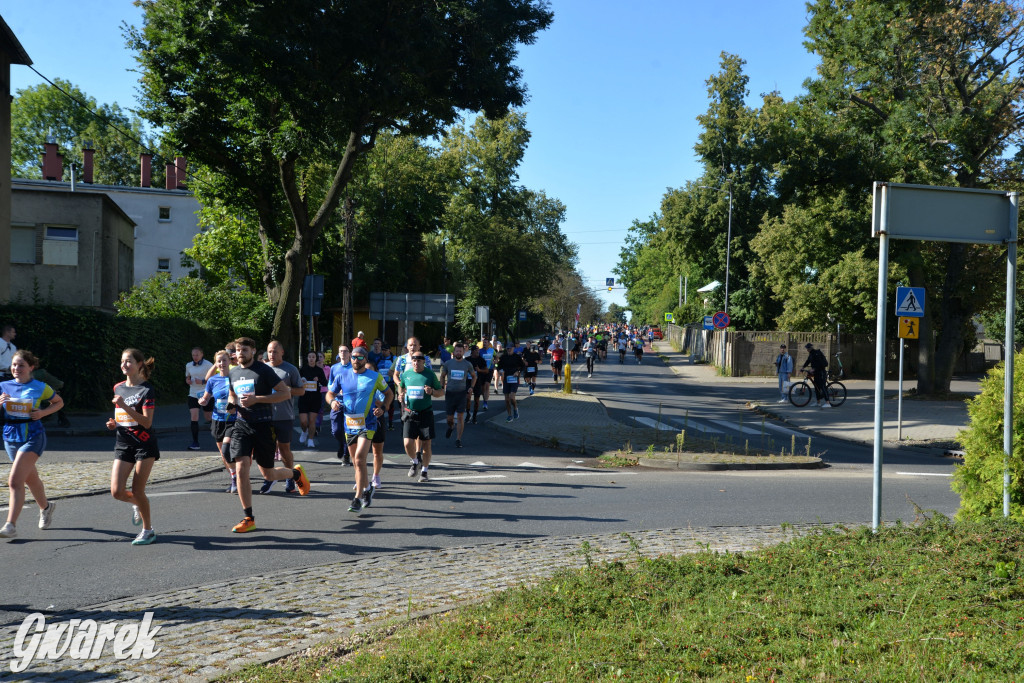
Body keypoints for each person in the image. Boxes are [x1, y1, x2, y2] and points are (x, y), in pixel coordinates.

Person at [226, 337, 311, 533]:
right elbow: (232, 392)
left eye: (244, 350)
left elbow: (284, 394)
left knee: (269, 473)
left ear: (254, 352)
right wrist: (231, 403)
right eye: (238, 350)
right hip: (242, 425)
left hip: (264, 426)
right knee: (241, 469)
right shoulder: (234, 372)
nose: (240, 353)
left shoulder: (264, 370)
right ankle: (249, 518)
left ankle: (296, 473)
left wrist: (256, 399)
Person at [0, 350, 62, 539]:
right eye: (14, 365)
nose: (16, 369)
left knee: (15, 480)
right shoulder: (3, 385)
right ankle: (46, 507)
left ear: (31, 367)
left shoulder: (40, 387)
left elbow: (59, 402)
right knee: (30, 478)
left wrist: (42, 413)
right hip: (11, 436)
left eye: (21, 365)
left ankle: (10, 525)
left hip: (33, 436)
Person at [326, 346, 392, 513]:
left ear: (365, 359)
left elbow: (390, 393)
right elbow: (329, 393)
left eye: (359, 357)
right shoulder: (342, 375)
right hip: (350, 424)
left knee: (360, 458)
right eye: (353, 357)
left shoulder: (374, 376)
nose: (355, 360)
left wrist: (383, 408)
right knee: (356, 462)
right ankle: (368, 488)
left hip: (368, 423)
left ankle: (357, 498)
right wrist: (332, 402)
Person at [107, 349, 159, 545]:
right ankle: (139, 504)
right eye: (122, 361)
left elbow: (147, 422)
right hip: (123, 442)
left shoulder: (146, 390)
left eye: (128, 361)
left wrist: (125, 407)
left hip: (144, 444)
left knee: (138, 490)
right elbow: (123, 418)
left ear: (139, 364)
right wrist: (115, 424)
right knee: (116, 492)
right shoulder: (118, 387)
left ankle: (148, 530)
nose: (124, 365)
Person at [261, 340, 305, 494]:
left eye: (274, 351)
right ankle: (269, 478)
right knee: (267, 449)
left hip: (284, 416)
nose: (271, 354)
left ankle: (289, 477)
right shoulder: (262, 368)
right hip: (266, 416)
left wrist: (287, 389)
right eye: (269, 351)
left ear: (282, 352)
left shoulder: (290, 369)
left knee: (284, 448)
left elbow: (301, 391)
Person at [397, 352, 441, 482]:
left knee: (427, 444)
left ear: (423, 362)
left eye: (418, 361)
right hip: (410, 413)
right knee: (407, 443)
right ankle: (415, 461)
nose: (416, 363)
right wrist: (400, 396)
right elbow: (401, 387)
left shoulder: (430, 374)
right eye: (414, 361)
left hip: (426, 413)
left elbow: (441, 392)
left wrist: (432, 392)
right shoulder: (406, 374)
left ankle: (424, 472)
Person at [198, 350, 238, 492]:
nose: (221, 364)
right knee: (223, 453)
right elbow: (206, 397)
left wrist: (235, 404)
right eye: (219, 361)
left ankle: (236, 479)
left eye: (224, 360)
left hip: (233, 420)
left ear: (229, 361)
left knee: (227, 449)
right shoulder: (213, 380)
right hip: (217, 419)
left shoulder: (236, 377)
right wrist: (202, 400)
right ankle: (234, 478)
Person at [440, 341, 476, 447]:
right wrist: (442, 387)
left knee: (460, 417)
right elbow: (442, 376)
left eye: (460, 351)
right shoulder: (448, 363)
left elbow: (474, 376)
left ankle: (458, 439)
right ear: (454, 352)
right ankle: (451, 427)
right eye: (457, 351)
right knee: (449, 419)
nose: (458, 353)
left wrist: (471, 388)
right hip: (450, 393)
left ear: (463, 352)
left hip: (461, 394)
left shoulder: (467, 364)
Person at [185, 347, 214, 450]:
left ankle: (220, 435)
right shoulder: (188, 365)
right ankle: (195, 443)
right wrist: (187, 380)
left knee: (208, 417)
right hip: (193, 394)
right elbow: (187, 376)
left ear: (202, 354)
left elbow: (214, 379)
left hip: (207, 394)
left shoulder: (209, 365)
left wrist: (202, 381)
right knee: (194, 416)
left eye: (197, 355)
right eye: (193, 355)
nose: (195, 357)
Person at [329, 345, 353, 464]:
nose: (343, 353)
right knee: (336, 430)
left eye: (345, 351)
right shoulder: (334, 368)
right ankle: (341, 444)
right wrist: (337, 391)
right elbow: (330, 385)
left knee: (348, 430)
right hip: (337, 401)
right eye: (341, 351)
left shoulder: (353, 367)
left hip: (350, 403)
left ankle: (346, 454)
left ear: (350, 353)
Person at [299, 351, 328, 448]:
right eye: (309, 357)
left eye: (313, 357)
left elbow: (325, 383)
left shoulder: (319, 370)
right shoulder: (303, 369)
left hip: (315, 398)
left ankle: (310, 440)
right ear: (307, 358)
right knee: (303, 421)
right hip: (304, 397)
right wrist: (301, 381)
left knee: (312, 420)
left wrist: (318, 380)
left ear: (316, 359)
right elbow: (297, 382)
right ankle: (304, 431)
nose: (311, 359)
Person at [495, 345, 525, 422]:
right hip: (506, 379)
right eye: (507, 348)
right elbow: (498, 366)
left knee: (512, 397)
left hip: (514, 378)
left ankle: (515, 408)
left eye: (510, 348)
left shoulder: (517, 357)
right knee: (507, 400)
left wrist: (518, 372)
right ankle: (509, 415)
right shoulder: (503, 357)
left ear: (513, 349)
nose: (509, 350)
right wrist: (500, 371)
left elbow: (522, 366)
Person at [801, 343, 830, 408]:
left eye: (808, 348)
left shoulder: (816, 353)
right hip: (816, 373)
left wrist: (814, 369)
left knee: (822, 386)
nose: (807, 349)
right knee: (816, 387)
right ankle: (818, 402)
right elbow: (808, 361)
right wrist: (803, 367)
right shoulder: (811, 354)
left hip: (821, 372)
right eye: (806, 348)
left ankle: (828, 403)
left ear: (810, 348)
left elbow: (820, 363)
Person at [466, 345, 488, 424]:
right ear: (472, 351)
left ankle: (474, 416)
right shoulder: (467, 359)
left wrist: (479, 370)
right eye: (476, 350)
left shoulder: (481, 359)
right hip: (468, 381)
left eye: (478, 350)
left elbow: (486, 370)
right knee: (468, 398)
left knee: (477, 401)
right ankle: (468, 413)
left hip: (478, 382)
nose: (478, 351)